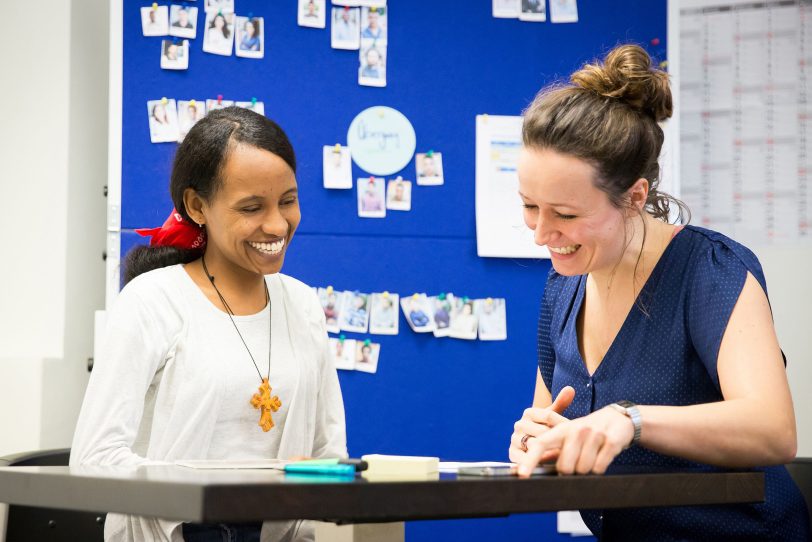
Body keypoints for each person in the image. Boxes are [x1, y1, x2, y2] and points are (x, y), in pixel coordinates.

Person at [508, 44, 810, 539]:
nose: (541, 234)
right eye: (528, 207)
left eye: (565, 215)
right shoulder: (564, 287)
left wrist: (631, 420)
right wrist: (540, 440)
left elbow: (773, 431)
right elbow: (551, 423)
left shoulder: (709, 270)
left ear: (635, 197)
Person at [71, 107, 347, 542]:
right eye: (252, 207)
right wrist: (207, 499)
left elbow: (327, 454)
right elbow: (94, 458)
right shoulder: (152, 301)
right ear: (197, 205)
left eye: (288, 201)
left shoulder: (302, 304)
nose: (277, 224)